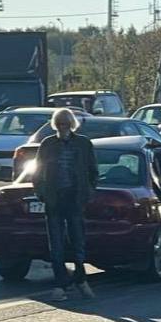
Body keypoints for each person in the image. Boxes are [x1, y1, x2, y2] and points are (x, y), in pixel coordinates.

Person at [33, 107, 98, 301]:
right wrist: (41, 193)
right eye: (59, 124)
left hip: (75, 199)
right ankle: (61, 284)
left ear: (71, 125)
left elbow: (93, 171)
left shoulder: (83, 144)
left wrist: (88, 192)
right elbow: (37, 172)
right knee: (56, 244)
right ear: (55, 125)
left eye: (66, 124)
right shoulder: (48, 144)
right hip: (54, 199)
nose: (62, 127)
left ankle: (80, 278)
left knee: (78, 241)